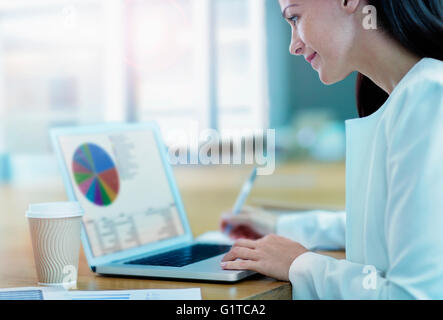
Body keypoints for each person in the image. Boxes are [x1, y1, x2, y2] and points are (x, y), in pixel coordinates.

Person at [219, 0, 443, 299]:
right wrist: (280, 226)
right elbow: (391, 226)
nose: (293, 46)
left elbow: (411, 295)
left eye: (295, 17)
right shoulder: (413, 95)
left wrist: (299, 263)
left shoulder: (429, 97)